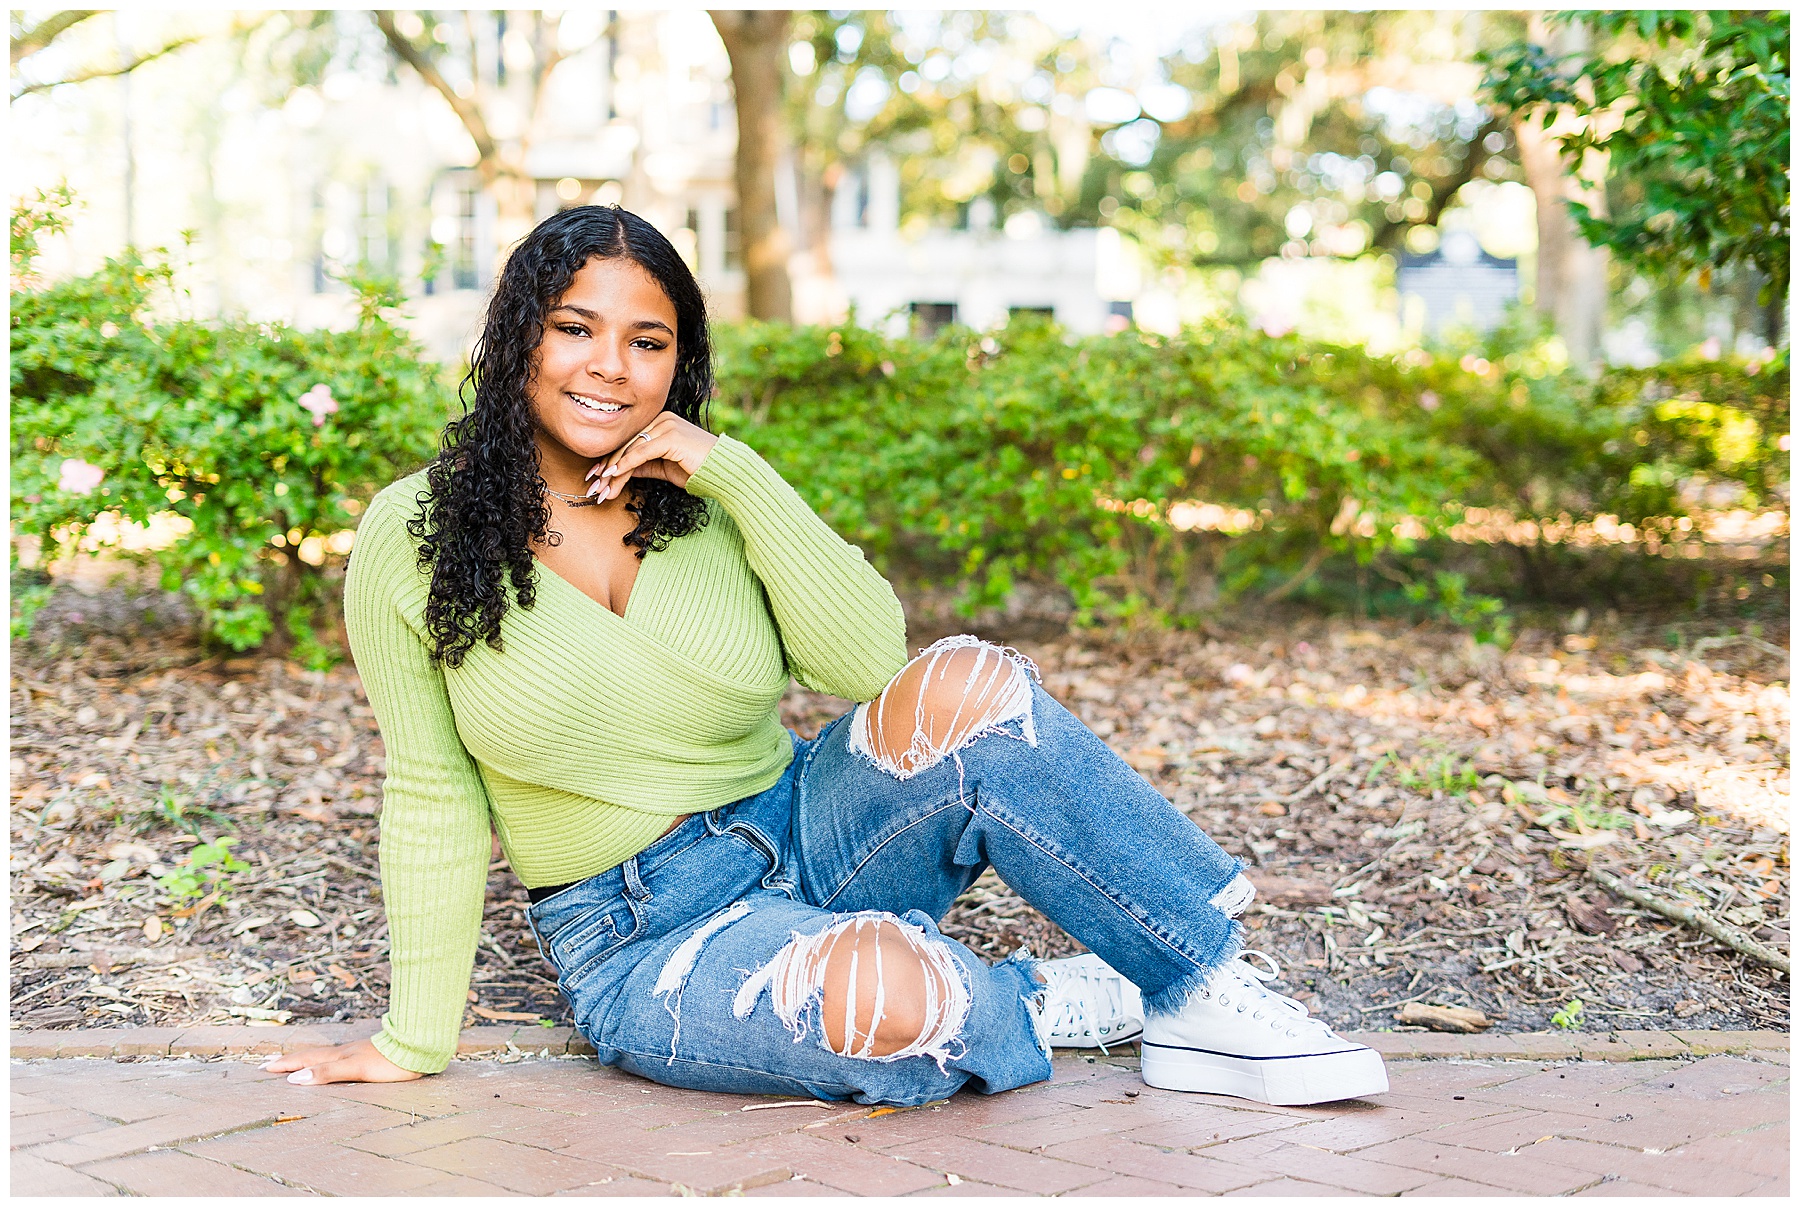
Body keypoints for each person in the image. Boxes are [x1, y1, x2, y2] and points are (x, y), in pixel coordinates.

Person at [262, 205, 1387, 1108]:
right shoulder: (414, 533)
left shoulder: (704, 504)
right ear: (518, 340)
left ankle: (1199, 988)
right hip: (641, 929)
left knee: (968, 682)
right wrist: (414, 1039)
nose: (609, 366)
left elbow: (868, 660)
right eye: (575, 327)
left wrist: (736, 474)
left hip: (809, 822)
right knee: (885, 1002)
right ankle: (1038, 1001)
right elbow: (429, 789)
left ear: (678, 365)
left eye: (646, 341)